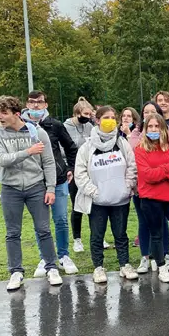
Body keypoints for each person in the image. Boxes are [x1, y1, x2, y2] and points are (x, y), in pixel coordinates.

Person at [0, 96, 62, 291]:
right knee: (13, 232)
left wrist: (51, 188)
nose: (0, 116)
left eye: (4, 113)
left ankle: (52, 268)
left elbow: (49, 162)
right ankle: (16, 272)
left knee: (43, 229)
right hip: (10, 189)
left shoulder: (37, 132)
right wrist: (28, 151)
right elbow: (2, 159)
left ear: (17, 114)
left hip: (36, 187)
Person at [73, 106, 138, 283]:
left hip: (120, 200)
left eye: (113, 117)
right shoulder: (87, 147)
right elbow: (80, 173)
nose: (110, 121)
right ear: (97, 120)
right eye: (106, 117)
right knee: (97, 235)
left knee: (121, 234)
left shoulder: (122, 143)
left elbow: (132, 166)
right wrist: (93, 192)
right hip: (97, 202)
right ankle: (98, 268)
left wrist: (127, 187)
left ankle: (124, 265)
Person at [22, 90, 79, 277]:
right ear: (27, 104)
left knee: (61, 219)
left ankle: (63, 255)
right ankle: (45, 257)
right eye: (32, 102)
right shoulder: (21, 127)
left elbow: (71, 147)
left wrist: (70, 167)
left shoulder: (55, 125)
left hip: (59, 179)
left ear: (45, 105)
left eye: (39, 102)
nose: (35, 105)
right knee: (41, 223)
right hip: (35, 182)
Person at [134, 113, 169, 283]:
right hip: (150, 197)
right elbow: (147, 175)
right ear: (145, 129)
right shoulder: (140, 149)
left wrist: (163, 174)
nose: (154, 129)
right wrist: (167, 168)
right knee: (156, 234)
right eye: (150, 126)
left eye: (157, 126)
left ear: (163, 129)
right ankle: (161, 267)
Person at [131, 100, 169, 273]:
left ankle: (164, 254)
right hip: (141, 187)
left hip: (163, 187)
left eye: (153, 111)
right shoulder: (134, 136)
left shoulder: (168, 136)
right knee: (144, 222)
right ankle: (145, 256)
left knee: (162, 222)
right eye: (146, 112)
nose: (149, 115)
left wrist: (162, 171)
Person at [64, 97, 96, 253]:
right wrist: (68, 168)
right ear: (77, 113)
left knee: (94, 205)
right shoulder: (65, 127)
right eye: (85, 114)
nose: (88, 117)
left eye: (90, 114)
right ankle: (77, 239)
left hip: (90, 170)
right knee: (77, 205)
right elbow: (63, 149)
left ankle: (96, 235)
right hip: (74, 170)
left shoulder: (89, 126)